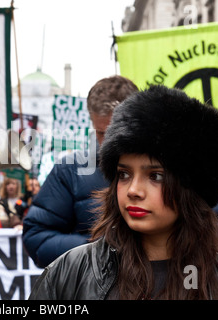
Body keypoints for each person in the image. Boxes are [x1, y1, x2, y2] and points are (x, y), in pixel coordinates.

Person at [29, 85, 218, 300]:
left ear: (192, 188)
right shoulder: (69, 273)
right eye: (124, 174)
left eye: (155, 176)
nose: (133, 191)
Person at [23, 75, 138, 267]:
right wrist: (97, 247)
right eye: (102, 133)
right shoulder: (69, 170)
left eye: (118, 131)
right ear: (92, 123)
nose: (109, 142)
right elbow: (37, 240)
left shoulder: (172, 166)